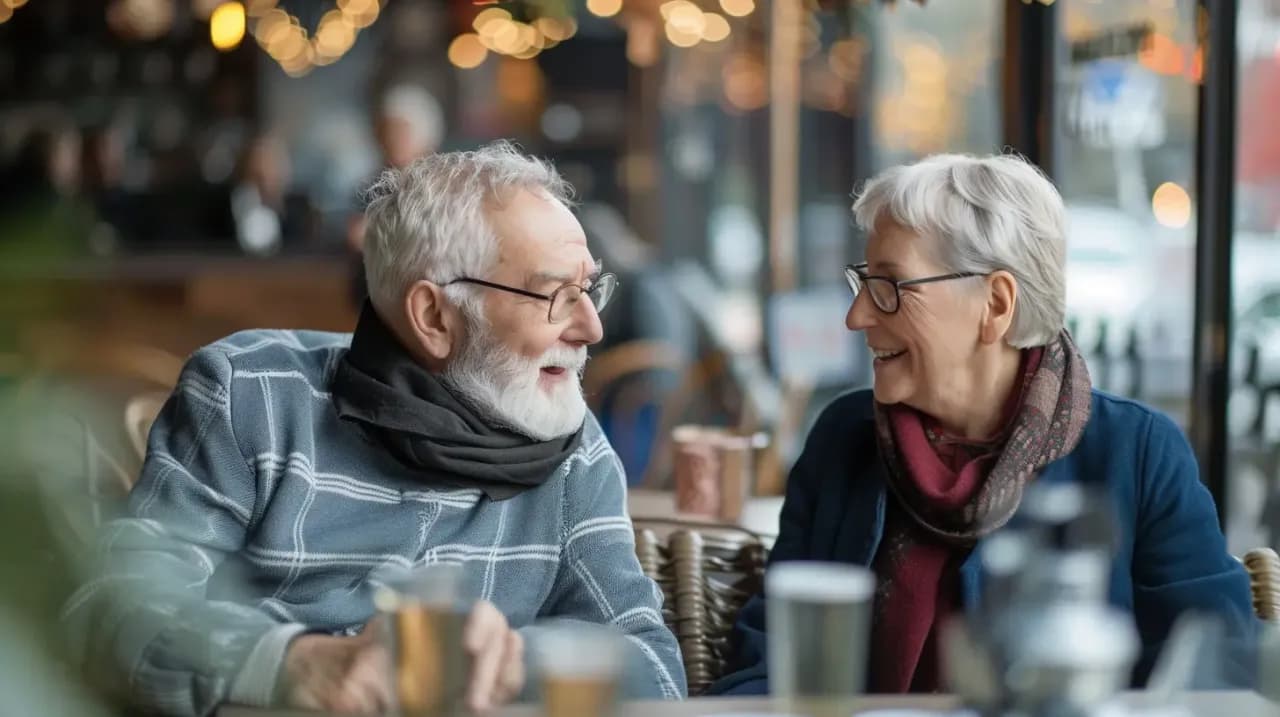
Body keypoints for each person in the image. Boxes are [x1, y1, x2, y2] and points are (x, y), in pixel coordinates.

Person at [64, 141, 686, 716]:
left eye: (589, 290)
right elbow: (112, 609)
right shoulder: (251, 394)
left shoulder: (573, 447)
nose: (591, 329)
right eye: (554, 295)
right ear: (434, 316)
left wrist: (508, 661)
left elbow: (655, 667)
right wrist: (296, 664)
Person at [710, 153, 1257, 695]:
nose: (857, 317)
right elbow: (768, 667)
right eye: (863, 282)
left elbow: (1218, 678)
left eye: (890, 286)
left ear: (995, 304)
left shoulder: (1136, 454)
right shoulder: (843, 439)